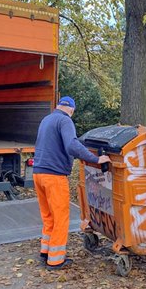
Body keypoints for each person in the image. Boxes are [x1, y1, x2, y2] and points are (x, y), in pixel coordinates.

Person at [33, 96, 110, 270]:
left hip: (39, 174)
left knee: (48, 217)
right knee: (60, 218)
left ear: (58, 106)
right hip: (54, 177)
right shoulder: (65, 120)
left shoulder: (47, 119)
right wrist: (96, 159)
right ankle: (56, 260)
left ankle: (45, 252)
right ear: (72, 110)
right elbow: (72, 146)